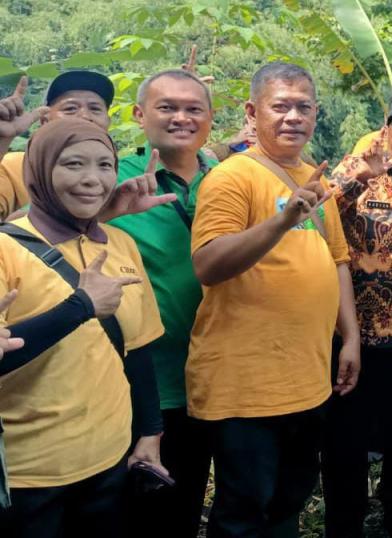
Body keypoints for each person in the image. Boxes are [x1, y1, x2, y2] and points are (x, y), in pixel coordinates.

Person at [188, 61, 359, 537]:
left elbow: (338, 260)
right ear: (252, 112)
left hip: (307, 378)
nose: (293, 117)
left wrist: (350, 337)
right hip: (246, 386)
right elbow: (208, 264)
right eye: (280, 106)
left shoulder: (315, 178)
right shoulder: (231, 177)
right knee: (243, 512)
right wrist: (281, 222)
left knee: (289, 502)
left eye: (304, 107)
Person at [0, 118, 166, 537]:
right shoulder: (5, 249)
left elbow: (137, 348)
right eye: (73, 164)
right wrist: (80, 307)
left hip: (109, 459)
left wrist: (151, 432)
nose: (93, 179)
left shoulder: (120, 244)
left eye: (105, 165)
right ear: (40, 169)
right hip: (27, 475)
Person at [107, 68, 216, 538]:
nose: (181, 118)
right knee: (134, 511)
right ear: (139, 114)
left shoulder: (228, 179)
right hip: (141, 382)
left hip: (214, 378)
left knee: (185, 503)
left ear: (211, 117)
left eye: (194, 109)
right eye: (166, 107)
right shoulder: (113, 178)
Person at [323, 95, 392, 538]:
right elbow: (318, 212)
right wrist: (360, 177)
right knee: (345, 441)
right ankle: (344, 524)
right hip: (356, 335)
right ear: (386, 127)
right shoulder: (358, 165)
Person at [0, 71, 175, 222]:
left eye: (95, 109)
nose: (85, 116)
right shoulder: (14, 166)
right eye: (70, 109)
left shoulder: (121, 176)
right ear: (44, 120)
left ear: (108, 122)